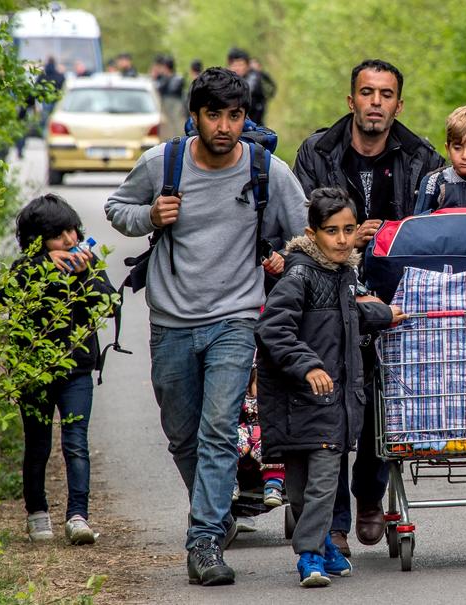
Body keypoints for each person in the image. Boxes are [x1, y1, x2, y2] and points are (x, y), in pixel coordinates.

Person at [104, 67, 308, 586]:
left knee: (219, 431)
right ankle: (216, 513)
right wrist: (150, 215)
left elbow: (303, 234)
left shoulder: (266, 170)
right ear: (194, 117)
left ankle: (205, 543)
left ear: (246, 118)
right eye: (213, 115)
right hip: (171, 320)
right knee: (182, 435)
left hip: (236, 318)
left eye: (234, 116)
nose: (224, 126)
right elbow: (116, 208)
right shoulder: (163, 163)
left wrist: (284, 259)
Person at [292, 58, 443, 557]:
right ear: (350, 99)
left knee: (383, 403)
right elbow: (303, 228)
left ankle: (369, 495)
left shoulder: (423, 157)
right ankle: (333, 521)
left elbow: (437, 232)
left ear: (398, 104)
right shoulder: (316, 152)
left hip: (395, 301)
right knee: (329, 411)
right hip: (327, 301)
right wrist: (350, 240)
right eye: (366, 92)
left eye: (385, 95)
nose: (375, 103)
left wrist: (397, 237)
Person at [255, 188, 407, 587]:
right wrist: (307, 367)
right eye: (331, 231)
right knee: (302, 489)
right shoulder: (300, 274)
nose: (342, 239)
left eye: (348, 229)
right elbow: (273, 328)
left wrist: (383, 313)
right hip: (297, 398)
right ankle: (319, 543)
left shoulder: (342, 273)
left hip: (330, 402)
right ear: (312, 232)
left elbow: (348, 313)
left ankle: (312, 553)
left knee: (321, 483)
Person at [0, 193, 117, 546]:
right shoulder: (25, 268)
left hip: (77, 368)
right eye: (58, 235)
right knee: (37, 445)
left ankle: (78, 515)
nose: (70, 240)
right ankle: (37, 513)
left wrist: (83, 277)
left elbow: (110, 303)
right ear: (38, 240)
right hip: (34, 369)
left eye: (72, 231)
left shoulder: (87, 261)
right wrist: (47, 268)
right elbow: (6, 296)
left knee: (76, 442)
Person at [232, 361, 286, 533]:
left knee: (275, 443)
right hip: (244, 438)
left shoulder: (275, 402)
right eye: (258, 385)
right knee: (230, 439)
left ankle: (274, 484)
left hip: (264, 440)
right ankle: (229, 482)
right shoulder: (245, 401)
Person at [227, 47, 269, 125]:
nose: (237, 68)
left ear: (247, 66)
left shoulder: (254, 77)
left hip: (255, 123)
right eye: (234, 65)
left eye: (240, 65)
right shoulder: (225, 79)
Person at [151, 54, 186, 139]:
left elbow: (171, 90)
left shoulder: (176, 79)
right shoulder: (162, 79)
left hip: (174, 116)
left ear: (166, 67)